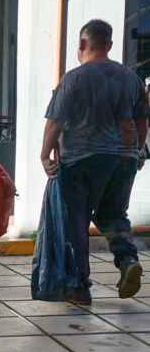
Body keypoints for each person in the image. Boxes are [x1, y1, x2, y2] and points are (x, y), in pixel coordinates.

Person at [41, 19, 147, 302]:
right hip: (123, 159)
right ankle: (127, 260)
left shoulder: (73, 78)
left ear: (81, 43)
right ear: (109, 44)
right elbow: (142, 122)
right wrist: (137, 150)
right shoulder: (131, 78)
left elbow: (55, 122)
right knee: (113, 213)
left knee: (76, 220)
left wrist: (44, 155)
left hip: (82, 160)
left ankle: (78, 287)